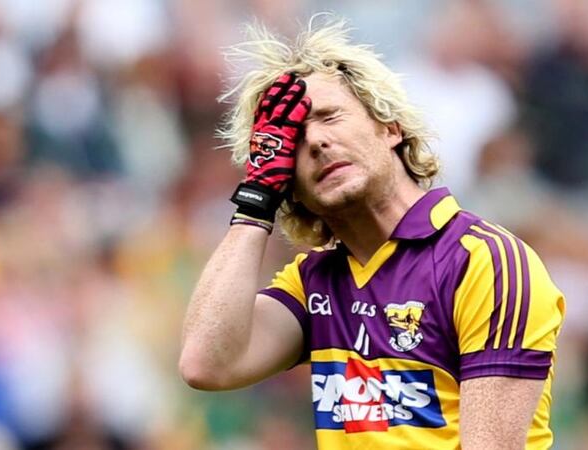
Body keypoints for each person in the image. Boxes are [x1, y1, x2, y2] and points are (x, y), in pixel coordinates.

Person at [179, 16, 565, 450]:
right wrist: (255, 200)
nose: (318, 142)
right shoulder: (313, 282)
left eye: (330, 116)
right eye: (294, 142)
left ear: (390, 127)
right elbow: (205, 364)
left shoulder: (482, 261)